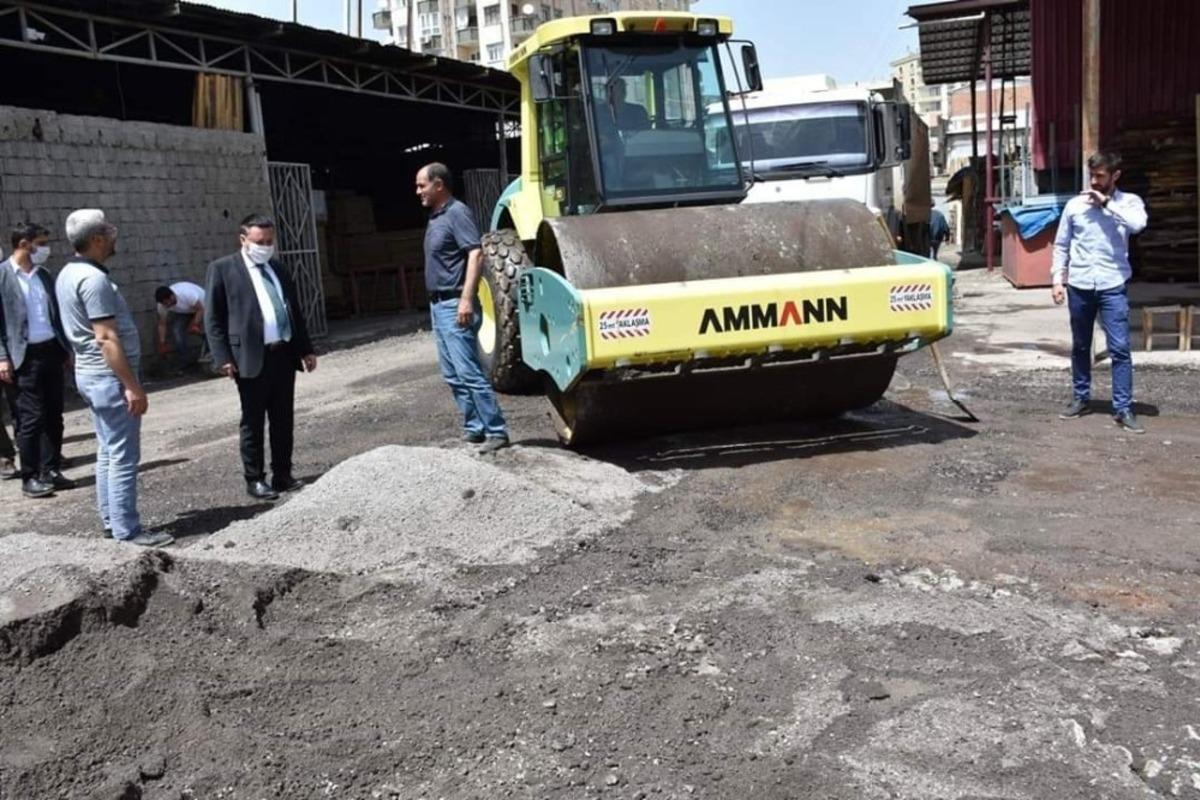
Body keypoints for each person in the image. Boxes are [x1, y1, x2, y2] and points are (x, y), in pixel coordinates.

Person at [56, 210, 171, 547]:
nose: (113, 234)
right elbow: (106, 338)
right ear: (97, 239)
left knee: (108, 450)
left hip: (92, 375)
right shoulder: (93, 280)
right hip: (109, 378)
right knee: (123, 455)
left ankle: (112, 521)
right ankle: (127, 530)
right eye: (108, 229)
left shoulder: (68, 273)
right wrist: (132, 386)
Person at [204, 214, 317, 501]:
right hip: (250, 357)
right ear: (243, 239)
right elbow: (213, 319)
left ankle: (283, 474)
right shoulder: (223, 269)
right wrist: (222, 357)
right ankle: (254, 479)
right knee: (253, 421)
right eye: (259, 242)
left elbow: (293, 310)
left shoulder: (277, 268)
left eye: (269, 241)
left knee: (283, 419)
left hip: (283, 354)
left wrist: (305, 349)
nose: (265, 246)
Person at [1051, 150, 1148, 433]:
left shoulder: (1129, 203)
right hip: (1080, 285)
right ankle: (1081, 398)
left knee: (1120, 348)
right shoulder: (1075, 206)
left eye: (1100, 176)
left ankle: (1123, 408)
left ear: (1115, 176)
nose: (1093, 181)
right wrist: (1057, 279)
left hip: (1112, 285)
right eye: (1091, 175)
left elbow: (1138, 225)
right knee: (1081, 345)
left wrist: (1107, 204)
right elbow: (1061, 244)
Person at [416, 163, 509, 453]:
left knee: (468, 372)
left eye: (422, 185)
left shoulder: (457, 213)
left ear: (439, 185)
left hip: (455, 302)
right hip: (439, 304)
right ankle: (475, 427)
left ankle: (496, 430)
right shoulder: (437, 216)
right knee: (452, 374)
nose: (418, 191)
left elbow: (475, 254)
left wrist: (466, 298)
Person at [0, 222, 74, 498]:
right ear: (24, 244)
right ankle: (30, 476)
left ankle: (51, 470)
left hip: (51, 351)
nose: (45, 249)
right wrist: (2, 357)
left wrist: (66, 349)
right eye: (41, 244)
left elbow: (55, 314)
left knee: (54, 415)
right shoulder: (3, 276)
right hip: (22, 357)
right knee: (30, 418)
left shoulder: (43, 275)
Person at [154, 281, 205, 370]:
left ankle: (211, 351)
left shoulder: (187, 294)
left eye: (168, 302)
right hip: (186, 311)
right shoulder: (162, 305)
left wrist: (195, 324)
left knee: (205, 331)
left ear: (172, 296)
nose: (168, 305)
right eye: (165, 304)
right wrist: (162, 343)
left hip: (204, 306)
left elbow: (201, 309)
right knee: (177, 331)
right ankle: (185, 360)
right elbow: (162, 324)